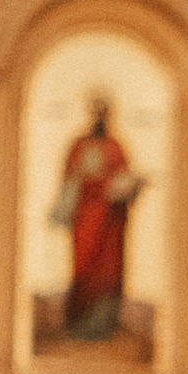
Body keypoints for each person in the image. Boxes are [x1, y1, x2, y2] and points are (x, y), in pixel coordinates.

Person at [50, 93, 143, 340]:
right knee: (84, 270)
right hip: (86, 220)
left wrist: (130, 187)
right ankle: (79, 326)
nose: (101, 118)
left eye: (105, 113)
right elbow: (71, 181)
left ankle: (105, 326)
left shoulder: (115, 146)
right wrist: (97, 186)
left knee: (109, 272)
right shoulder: (80, 145)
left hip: (111, 223)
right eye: (97, 113)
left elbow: (123, 176)